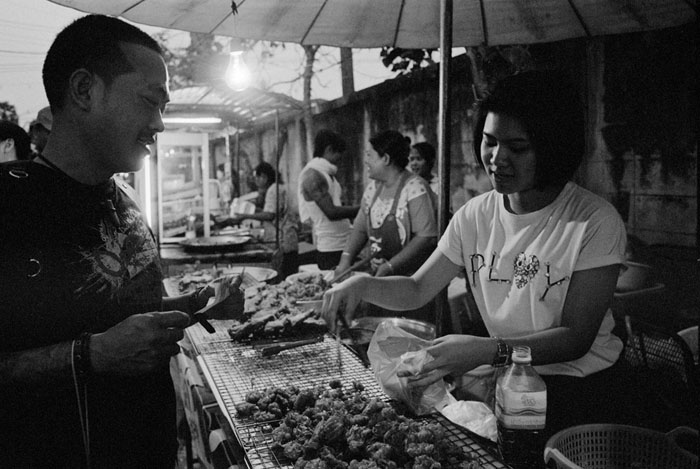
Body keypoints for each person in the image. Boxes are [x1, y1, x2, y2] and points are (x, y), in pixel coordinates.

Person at [323, 71, 635, 439]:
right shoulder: (475, 215)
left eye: (517, 148)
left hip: (582, 392)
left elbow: (575, 338)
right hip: (511, 384)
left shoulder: (593, 220)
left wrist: (486, 351)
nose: (496, 159)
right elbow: (416, 288)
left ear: (553, 148)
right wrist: (363, 284)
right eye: (489, 142)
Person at [0, 15, 243, 468]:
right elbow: (104, 343)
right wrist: (91, 355)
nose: (160, 124)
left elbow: (123, 314)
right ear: (84, 90)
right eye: (150, 102)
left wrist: (196, 305)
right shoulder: (11, 204)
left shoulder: (125, 198)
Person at [334, 130, 438, 321]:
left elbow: (426, 237)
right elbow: (360, 227)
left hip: (412, 282)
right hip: (381, 277)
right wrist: (345, 260)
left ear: (386, 159)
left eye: (369, 155)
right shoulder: (373, 187)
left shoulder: (415, 187)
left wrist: (390, 266)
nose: (365, 160)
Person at [216, 161, 299, 278]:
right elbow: (272, 212)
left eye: (257, 178)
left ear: (264, 177)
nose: (256, 181)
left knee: (282, 278)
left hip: (283, 242)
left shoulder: (273, 190)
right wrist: (251, 211)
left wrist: (245, 216)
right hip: (289, 241)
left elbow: (270, 215)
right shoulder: (278, 187)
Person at [298, 129, 360, 270]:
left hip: (343, 242)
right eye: (339, 155)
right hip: (330, 248)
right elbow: (331, 212)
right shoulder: (312, 175)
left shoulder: (326, 173)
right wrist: (363, 208)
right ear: (329, 149)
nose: (340, 160)